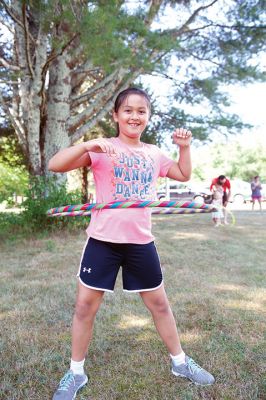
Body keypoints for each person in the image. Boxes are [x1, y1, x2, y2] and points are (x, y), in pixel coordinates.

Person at [49, 87, 215, 400]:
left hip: (140, 242)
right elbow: (55, 164)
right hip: (103, 240)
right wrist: (88, 143)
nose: (134, 116)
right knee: (85, 306)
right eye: (128, 110)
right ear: (116, 115)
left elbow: (182, 172)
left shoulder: (153, 153)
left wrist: (184, 147)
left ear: (147, 118)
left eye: (141, 111)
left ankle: (180, 363)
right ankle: (75, 372)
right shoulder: (103, 148)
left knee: (160, 304)